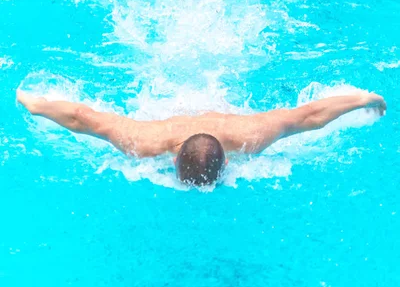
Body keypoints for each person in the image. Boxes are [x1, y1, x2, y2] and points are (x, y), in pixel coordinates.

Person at [17, 89, 386, 187]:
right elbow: (308, 117)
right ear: (227, 161)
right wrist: (360, 99)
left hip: (173, 110)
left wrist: (38, 105)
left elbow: (85, 118)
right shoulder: (251, 137)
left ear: (173, 161)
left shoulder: (144, 143)